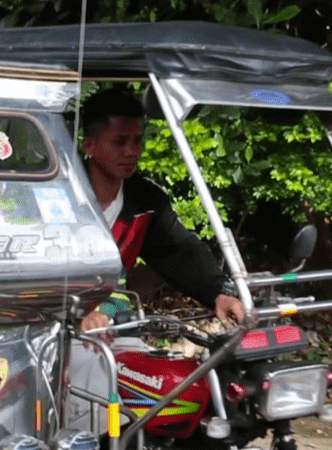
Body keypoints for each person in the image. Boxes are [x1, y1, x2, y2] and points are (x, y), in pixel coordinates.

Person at [78, 88, 244, 332]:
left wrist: (219, 293)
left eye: (137, 140)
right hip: (45, 318)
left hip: (111, 317)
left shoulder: (146, 200)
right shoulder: (61, 195)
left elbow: (180, 249)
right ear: (89, 145)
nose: (131, 151)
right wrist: (80, 313)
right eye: (120, 141)